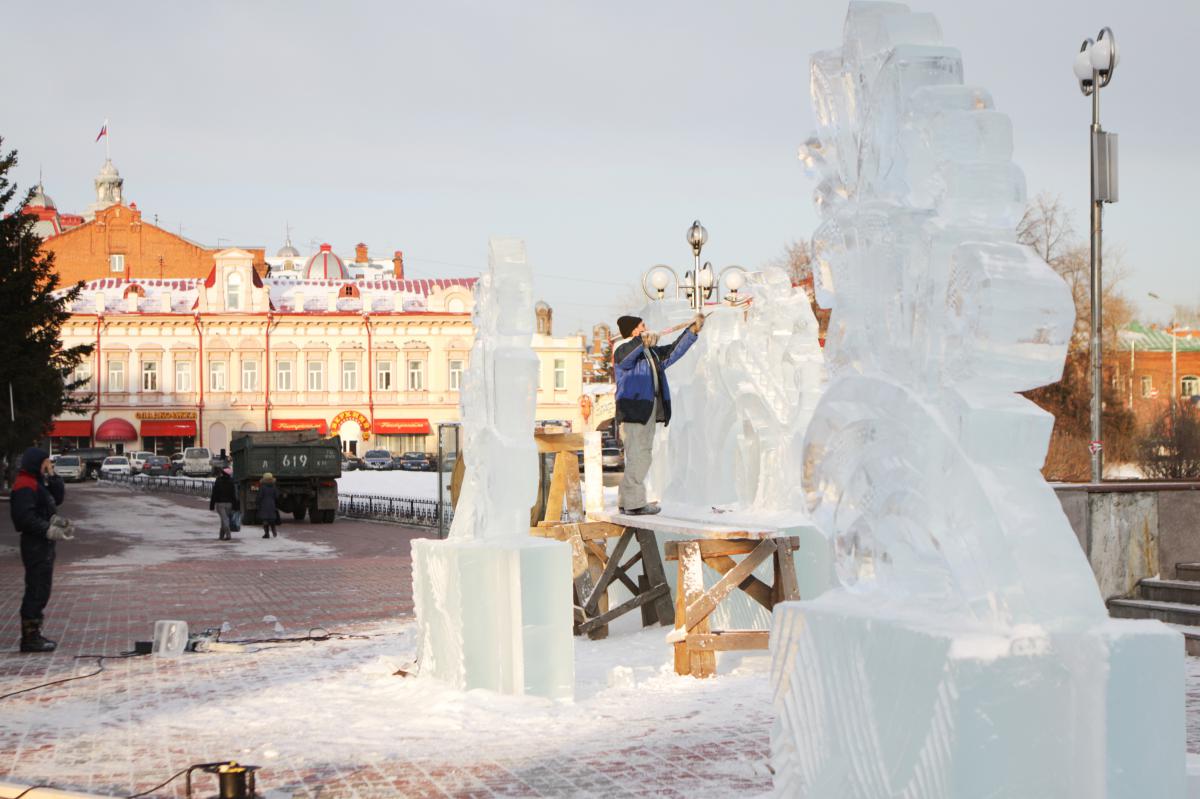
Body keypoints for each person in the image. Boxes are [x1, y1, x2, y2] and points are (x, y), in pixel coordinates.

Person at [613, 312, 704, 515]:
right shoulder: (622, 348)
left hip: (647, 410)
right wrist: (641, 342)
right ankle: (634, 504)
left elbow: (672, 353)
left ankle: (626, 501)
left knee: (641, 456)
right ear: (634, 330)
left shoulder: (648, 353)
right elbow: (626, 358)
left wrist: (691, 331)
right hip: (634, 410)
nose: (646, 327)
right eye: (642, 325)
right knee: (639, 457)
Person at [10, 446, 75, 652]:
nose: (47, 465)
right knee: (36, 589)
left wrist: (53, 475)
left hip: (43, 545)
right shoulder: (24, 485)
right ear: (35, 463)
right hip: (35, 545)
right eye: (45, 463)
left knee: (42, 589)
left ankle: (34, 633)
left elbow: (56, 499)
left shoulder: (37, 483)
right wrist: (48, 529)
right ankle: (30, 637)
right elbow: (23, 518)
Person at [209, 466, 240, 540]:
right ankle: (221, 536)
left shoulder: (218, 481)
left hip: (220, 504)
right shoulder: (232, 482)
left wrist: (212, 505)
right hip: (229, 504)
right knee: (224, 519)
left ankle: (228, 535)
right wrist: (236, 505)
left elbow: (214, 493)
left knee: (224, 519)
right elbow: (234, 495)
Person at [258, 472, 280, 539]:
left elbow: (260, 496)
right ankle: (274, 531)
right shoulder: (274, 487)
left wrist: (258, 502)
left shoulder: (262, 487)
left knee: (265, 520)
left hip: (264, 505)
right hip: (272, 504)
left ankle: (266, 534)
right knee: (272, 519)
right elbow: (276, 496)